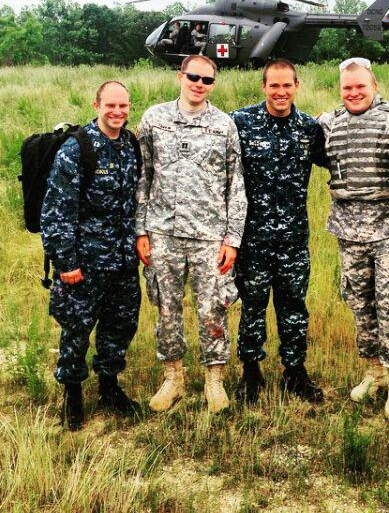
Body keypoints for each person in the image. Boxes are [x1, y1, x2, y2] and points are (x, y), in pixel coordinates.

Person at [136, 55, 247, 414]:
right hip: (163, 232)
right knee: (167, 309)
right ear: (180, 77)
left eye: (207, 80)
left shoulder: (224, 125)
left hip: (209, 236)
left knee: (213, 309)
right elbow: (143, 177)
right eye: (193, 77)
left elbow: (235, 186)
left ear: (213, 84)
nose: (199, 84)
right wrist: (141, 229)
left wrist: (232, 239)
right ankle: (173, 378)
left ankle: (215, 380)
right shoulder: (154, 119)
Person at [41, 81, 141, 431]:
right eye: (111, 105)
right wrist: (66, 263)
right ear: (96, 105)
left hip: (123, 261)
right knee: (77, 328)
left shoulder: (130, 145)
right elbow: (57, 212)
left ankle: (109, 387)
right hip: (85, 263)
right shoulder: (77, 148)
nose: (117, 112)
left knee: (120, 326)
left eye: (123, 106)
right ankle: (72, 394)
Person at [318, 58, 389, 420]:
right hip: (348, 232)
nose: (354, 93)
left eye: (361, 86)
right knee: (360, 303)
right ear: (340, 89)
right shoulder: (329, 123)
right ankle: (374, 372)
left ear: (375, 86)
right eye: (348, 87)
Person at [230, 58, 326, 404]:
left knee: (294, 308)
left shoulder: (309, 128)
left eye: (287, 85)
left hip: (293, 241)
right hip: (252, 240)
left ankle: (295, 372)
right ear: (264, 87)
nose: (281, 92)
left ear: (297, 86)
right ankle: (250, 372)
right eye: (274, 85)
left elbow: (338, 159)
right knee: (252, 307)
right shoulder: (240, 122)